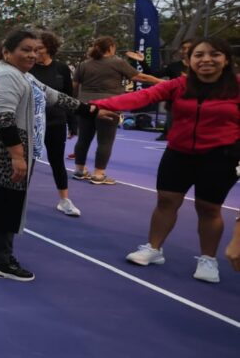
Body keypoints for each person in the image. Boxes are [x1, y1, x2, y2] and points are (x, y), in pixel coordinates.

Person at [0, 30, 112, 281]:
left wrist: (91, 111)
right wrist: (17, 156)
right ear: (7, 52)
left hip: (5, 150)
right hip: (2, 153)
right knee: (5, 205)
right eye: (26, 49)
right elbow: (4, 118)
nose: (33, 54)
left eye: (35, 50)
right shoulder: (7, 76)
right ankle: (1, 261)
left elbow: (53, 95)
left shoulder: (22, 75)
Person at [91, 37, 239, 284]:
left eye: (214, 54)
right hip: (178, 154)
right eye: (199, 55)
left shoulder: (236, 87)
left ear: (225, 60)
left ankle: (208, 259)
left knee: (209, 209)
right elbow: (139, 98)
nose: (206, 60)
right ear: (189, 60)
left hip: (219, 157)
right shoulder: (179, 85)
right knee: (166, 201)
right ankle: (154, 248)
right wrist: (93, 106)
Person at [72, 36, 163, 184]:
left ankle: (79, 170)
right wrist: (162, 82)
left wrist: (77, 105)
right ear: (111, 47)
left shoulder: (84, 64)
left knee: (83, 139)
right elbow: (141, 77)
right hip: (109, 105)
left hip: (86, 105)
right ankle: (99, 175)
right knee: (105, 141)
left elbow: (74, 86)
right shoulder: (117, 62)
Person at [29, 31, 82, 217]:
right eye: (34, 49)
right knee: (28, 162)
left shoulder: (61, 68)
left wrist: (72, 123)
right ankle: (18, 198)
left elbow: (68, 97)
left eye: (40, 48)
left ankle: (64, 200)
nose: (36, 52)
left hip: (56, 123)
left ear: (49, 48)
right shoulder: (28, 69)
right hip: (33, 123)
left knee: (57, 161)